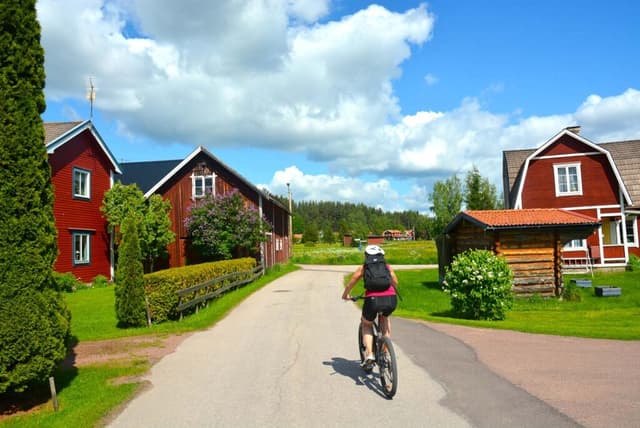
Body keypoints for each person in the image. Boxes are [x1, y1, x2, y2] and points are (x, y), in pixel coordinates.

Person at [342, 245, 398, 370]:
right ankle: (385, 353)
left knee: (366, 324)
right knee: (385, 318)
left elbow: (351, 283)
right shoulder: (387, 266)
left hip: (372, 300)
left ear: (366, 256)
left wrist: (345, 295)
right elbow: (395, 282)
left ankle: (370, 354)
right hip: (391, 299)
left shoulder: (363, 267)